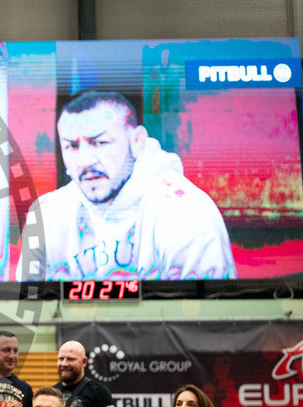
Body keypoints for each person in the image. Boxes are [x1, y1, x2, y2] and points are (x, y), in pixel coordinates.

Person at [17, 90, 236, 281]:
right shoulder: (47, 215)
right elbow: (28, 309)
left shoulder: (185, 212)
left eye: (100, 142)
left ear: (137, 141)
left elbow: (203, 312)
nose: (85, 161)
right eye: (72, 146)